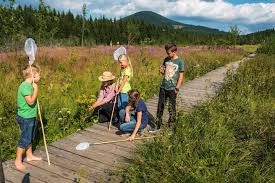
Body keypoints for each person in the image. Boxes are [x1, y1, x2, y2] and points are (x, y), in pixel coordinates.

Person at [15, 64, 42, 171]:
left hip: (31, 116)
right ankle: (18, 160)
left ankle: (29, 155)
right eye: (39, 75)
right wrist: (36, 89)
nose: (40, 77)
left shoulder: (30, 85)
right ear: (34, 75)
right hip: (25, 117)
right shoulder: (25, 86)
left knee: (30, 136)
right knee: (24, 138)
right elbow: (30, 101)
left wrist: (34, 88)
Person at [156, 43, 184, 129]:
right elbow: (164, 72)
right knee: (160, 106)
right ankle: (157, 125)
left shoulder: (180, 61)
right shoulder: (166, 59)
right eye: (167, 52)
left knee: (171, 107)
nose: (167, 54)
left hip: (172, 88)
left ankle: (171, 126)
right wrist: (161, 70)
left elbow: (181, 76)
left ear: (174, 52)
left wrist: (177, 87)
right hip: (163, 86)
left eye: (169, 53)